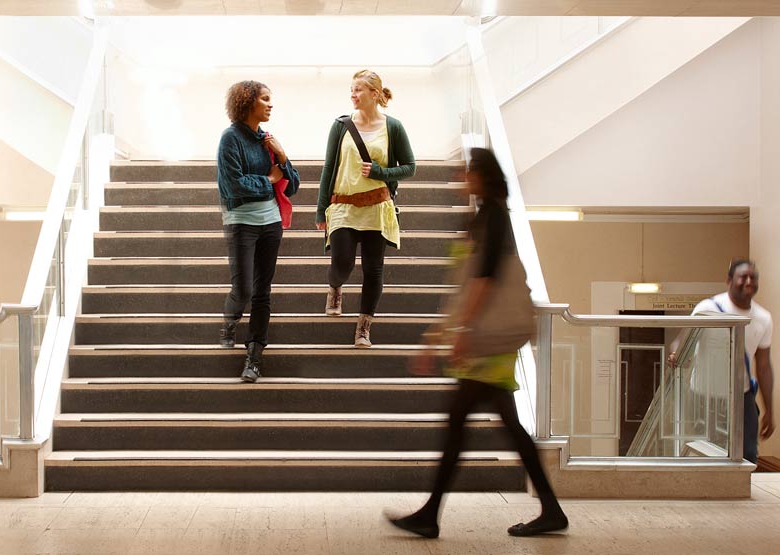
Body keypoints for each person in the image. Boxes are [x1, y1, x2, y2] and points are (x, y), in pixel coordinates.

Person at [388, 148, 565, 539]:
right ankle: (550, 508)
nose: (462, 178)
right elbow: (465, 285)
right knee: (505, 427)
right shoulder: (483, 217)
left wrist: (460, 335)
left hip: (488, 343)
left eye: (468, 171)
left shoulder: (495, 218)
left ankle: (431, 514)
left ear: (483, 175)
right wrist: (438, 338)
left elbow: (483, 283)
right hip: (485, 341)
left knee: (459, 425)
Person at [317, 69, 415, 348]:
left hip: (377, 206)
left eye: (358, 89)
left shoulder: (393, 126)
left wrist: (381, 172)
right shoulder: (340, 125)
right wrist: (320, 209)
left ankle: (363, 327)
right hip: (342, 205)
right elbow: (328, 168)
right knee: (342, 263)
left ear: (375, 94)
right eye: (351, 89)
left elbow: (410, 167)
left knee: (374, 270)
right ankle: (335, 287)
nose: (353, 94)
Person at [217, 80, 299, 383]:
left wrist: (283, 155)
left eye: (270, 99)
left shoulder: (269, 139)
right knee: (243, 289)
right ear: (248, 102)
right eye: (265, 99)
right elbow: (233, 185)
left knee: (262, 292)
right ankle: (229, 320)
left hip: (271, 223)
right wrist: (268, 179)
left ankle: (254, 357)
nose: (270, 104)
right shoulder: (230, 139)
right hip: (241, 222)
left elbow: (294, 184)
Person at [667, 259, 774, 463]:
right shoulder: (708, 308)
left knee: (749, 453)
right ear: (729, 281)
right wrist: (678, 357)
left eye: (753, 277)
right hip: (704, 396)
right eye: (743, 277)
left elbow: (764, 365)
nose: (749, 281)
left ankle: (741, 492)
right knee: (709, 452)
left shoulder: (763, 317)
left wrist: (769, 409)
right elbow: (680, 342)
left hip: (741, 396)